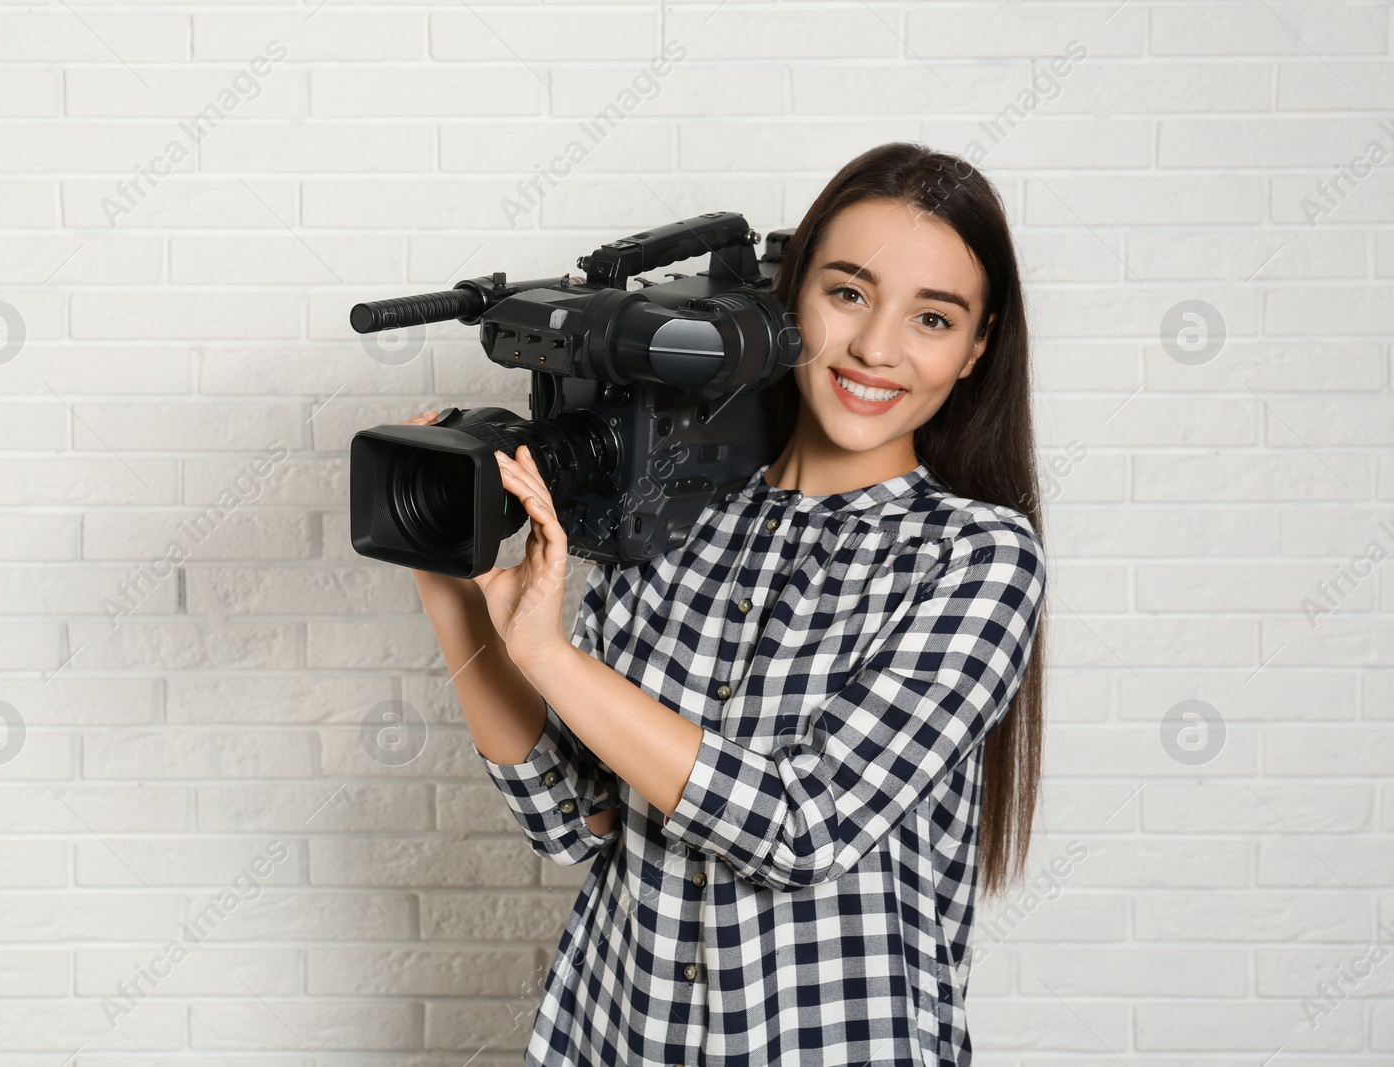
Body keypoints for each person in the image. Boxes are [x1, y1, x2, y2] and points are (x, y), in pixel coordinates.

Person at [405, 141, 1049, 1067]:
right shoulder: (670, 518)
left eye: (934, 318)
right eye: (849, 294)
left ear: (976, 349)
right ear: (787, 305)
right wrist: (459, 595)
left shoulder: (973, 555)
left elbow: (803, 827)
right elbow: (572, 821)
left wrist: (553, 658)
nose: (877, 347)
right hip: (617, 1037)